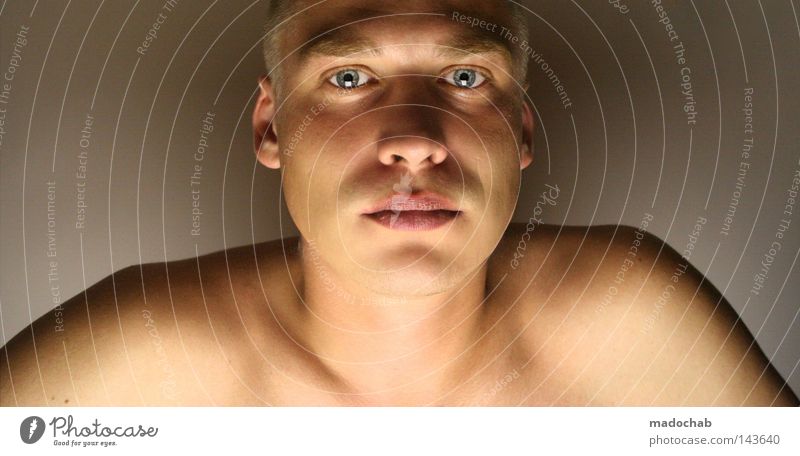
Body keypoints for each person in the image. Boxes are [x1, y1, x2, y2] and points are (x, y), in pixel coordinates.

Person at [1, 0, 796, 406]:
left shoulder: (632, 319)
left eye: (464, 78)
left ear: (521, 131)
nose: (415, 140)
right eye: (349, 79)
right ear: (272, 125)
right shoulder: (140, 356)